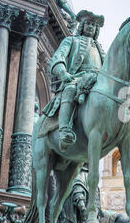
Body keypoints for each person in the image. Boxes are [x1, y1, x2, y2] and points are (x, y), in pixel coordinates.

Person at [42, 10, 105, 151]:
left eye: (94, 25)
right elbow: (57, 57)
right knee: (70, 90)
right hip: (76, 78)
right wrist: (63, 73)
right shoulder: (71, 40)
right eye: (88, 23)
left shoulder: (100, 48)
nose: (90, 26)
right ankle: (64, 130)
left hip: (98, 80)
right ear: (82, 26)